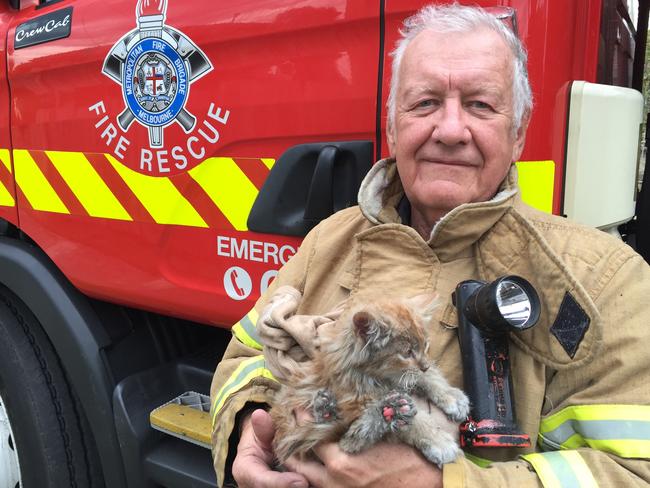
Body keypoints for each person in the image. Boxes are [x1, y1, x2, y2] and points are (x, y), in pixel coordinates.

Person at [210, 4, 650, 487]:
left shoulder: (605, 280)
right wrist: (251, 431)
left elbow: (634, 472)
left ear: (519, 132)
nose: (450, 130)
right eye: (424, 104)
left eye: (481, 104)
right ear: (393, 127)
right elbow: (244, 359)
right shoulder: (326, 242)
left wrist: (442, 484)